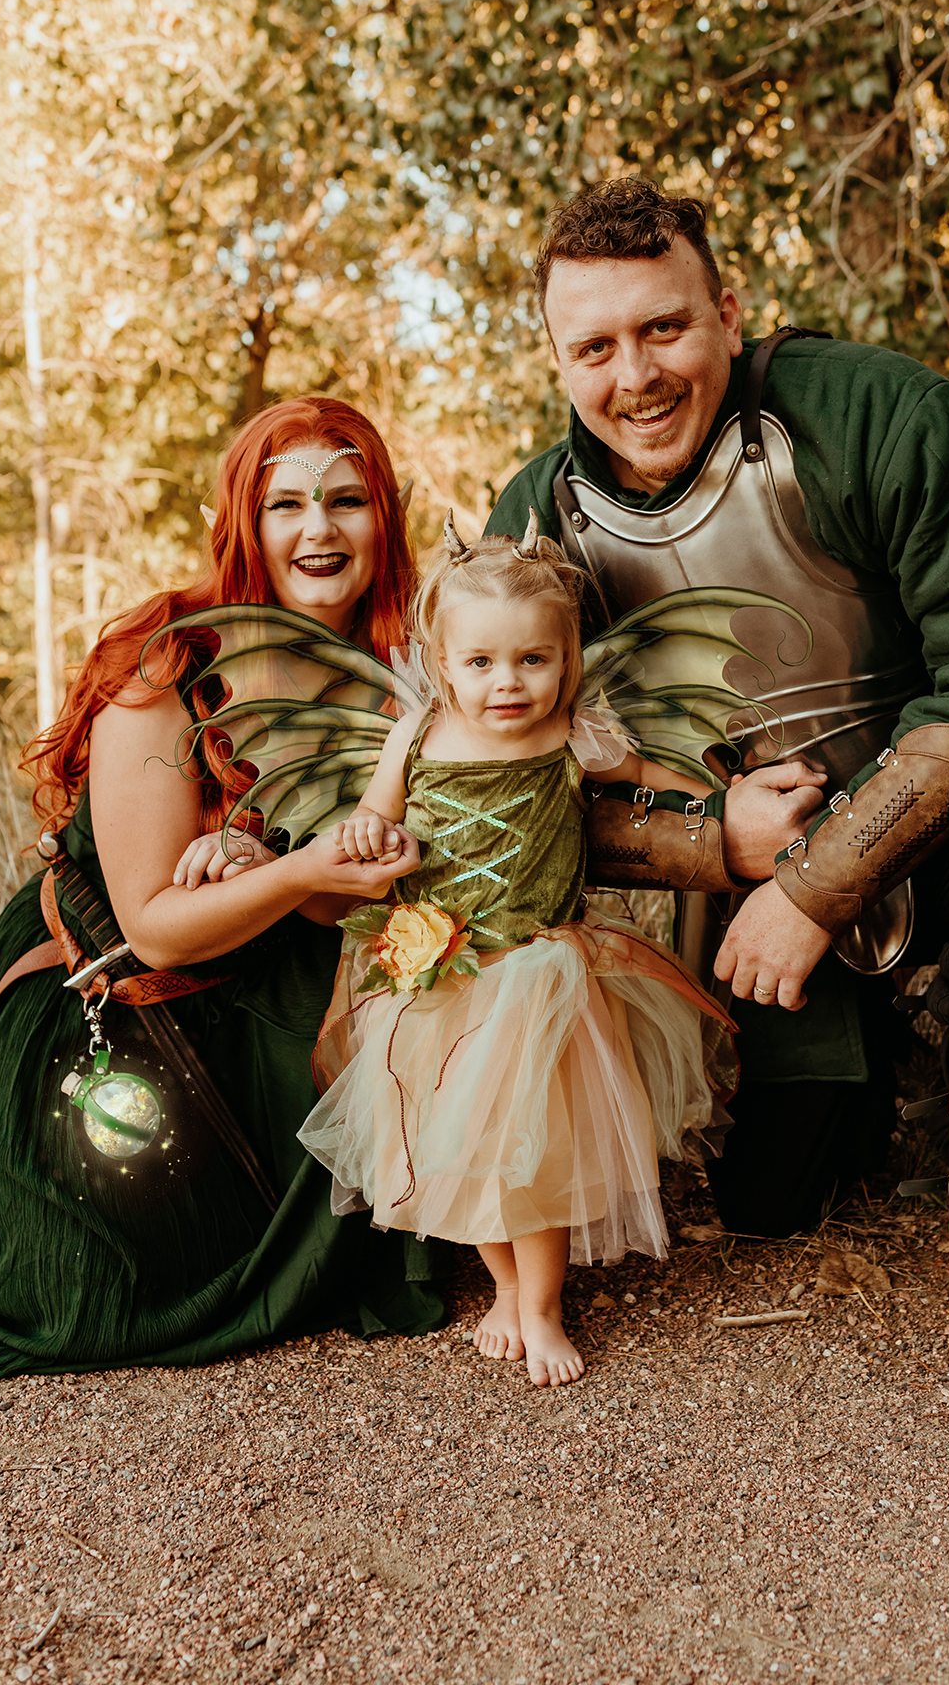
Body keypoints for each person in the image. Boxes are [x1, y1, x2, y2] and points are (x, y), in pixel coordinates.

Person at [486, 176, 949, 1420]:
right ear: (557, 360)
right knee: (770, 1203)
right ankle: (895, 1066)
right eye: (594, 346)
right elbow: (517, 795)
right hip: (743, 892)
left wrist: (816, 877)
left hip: (948, 838)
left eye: (665, 327)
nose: (634, 374)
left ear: (729, 312)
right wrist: (722, 844)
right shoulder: (542, 519)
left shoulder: (880, 414)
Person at [0, 398, 448, 1376]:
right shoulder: (170, 661)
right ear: (246, 520)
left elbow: (351, 894)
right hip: (109, 994)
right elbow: (155, 927)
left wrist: (295, 873)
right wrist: (299, 868)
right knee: (96, 1276)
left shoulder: (395, 669)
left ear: (384, 517)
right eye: (286, 504)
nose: (318, 529)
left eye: (346, 500)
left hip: (272, 971)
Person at [295, 520, 736, 1387]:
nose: (507, 682)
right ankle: (502, 1287)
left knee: (531, 1158)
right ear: (440, 660)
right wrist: (363, 832)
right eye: (481, 663)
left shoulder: (572, 735)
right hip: (435, 982)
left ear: (566, 660)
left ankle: (541, 1304)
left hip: (539, 978)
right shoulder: (415, 737)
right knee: (454, 1155)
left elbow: (656, 778)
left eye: (533, 661)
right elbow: (376, 819)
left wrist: (719, 792)